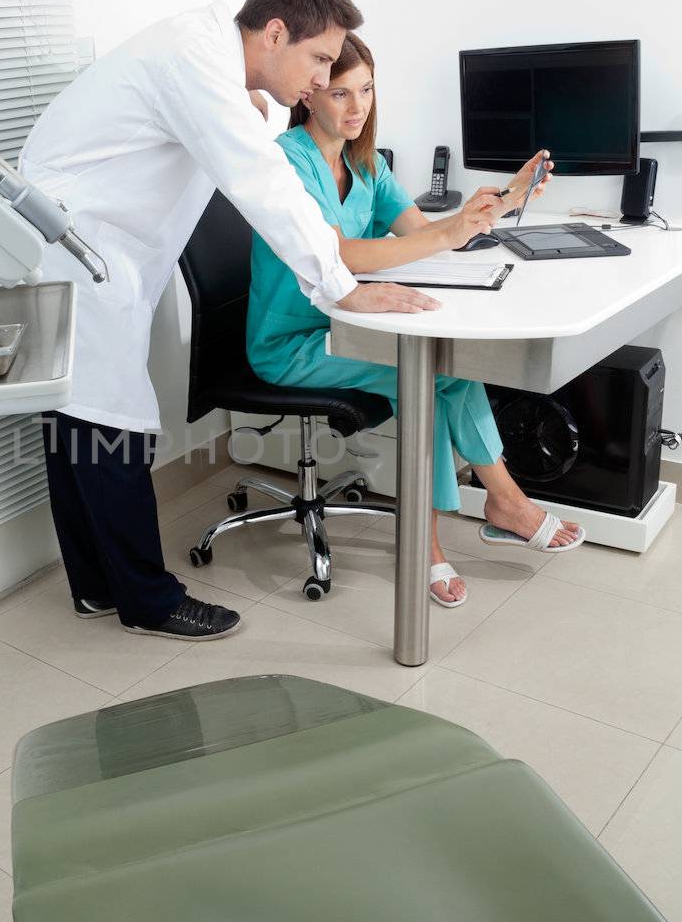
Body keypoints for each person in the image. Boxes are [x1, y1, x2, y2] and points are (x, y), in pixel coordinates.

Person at [0, 0, 440, 641]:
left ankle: (98, 588)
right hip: (71, 265)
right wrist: (343, 287)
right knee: (109, 428)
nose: (318, 81)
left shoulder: (201, 58)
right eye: (318, 59)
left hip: (75, 262)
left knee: (77, 429)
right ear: (274, 32)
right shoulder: (192, 62)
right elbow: (267, 186)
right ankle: (147, 600)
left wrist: (244, 100)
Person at [246, 32, 584, 609]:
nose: (357, 108)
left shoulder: (366, 163)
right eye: (340, 94)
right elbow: (338, 254)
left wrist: (502, 198)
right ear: (308, 96)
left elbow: (422, 237)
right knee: (424, 378)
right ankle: (436, 540)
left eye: (367, 90)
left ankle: (500, 502)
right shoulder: (288, 161)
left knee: (449, 363)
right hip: (293, 341)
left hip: (352, 326)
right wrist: (447, 232)